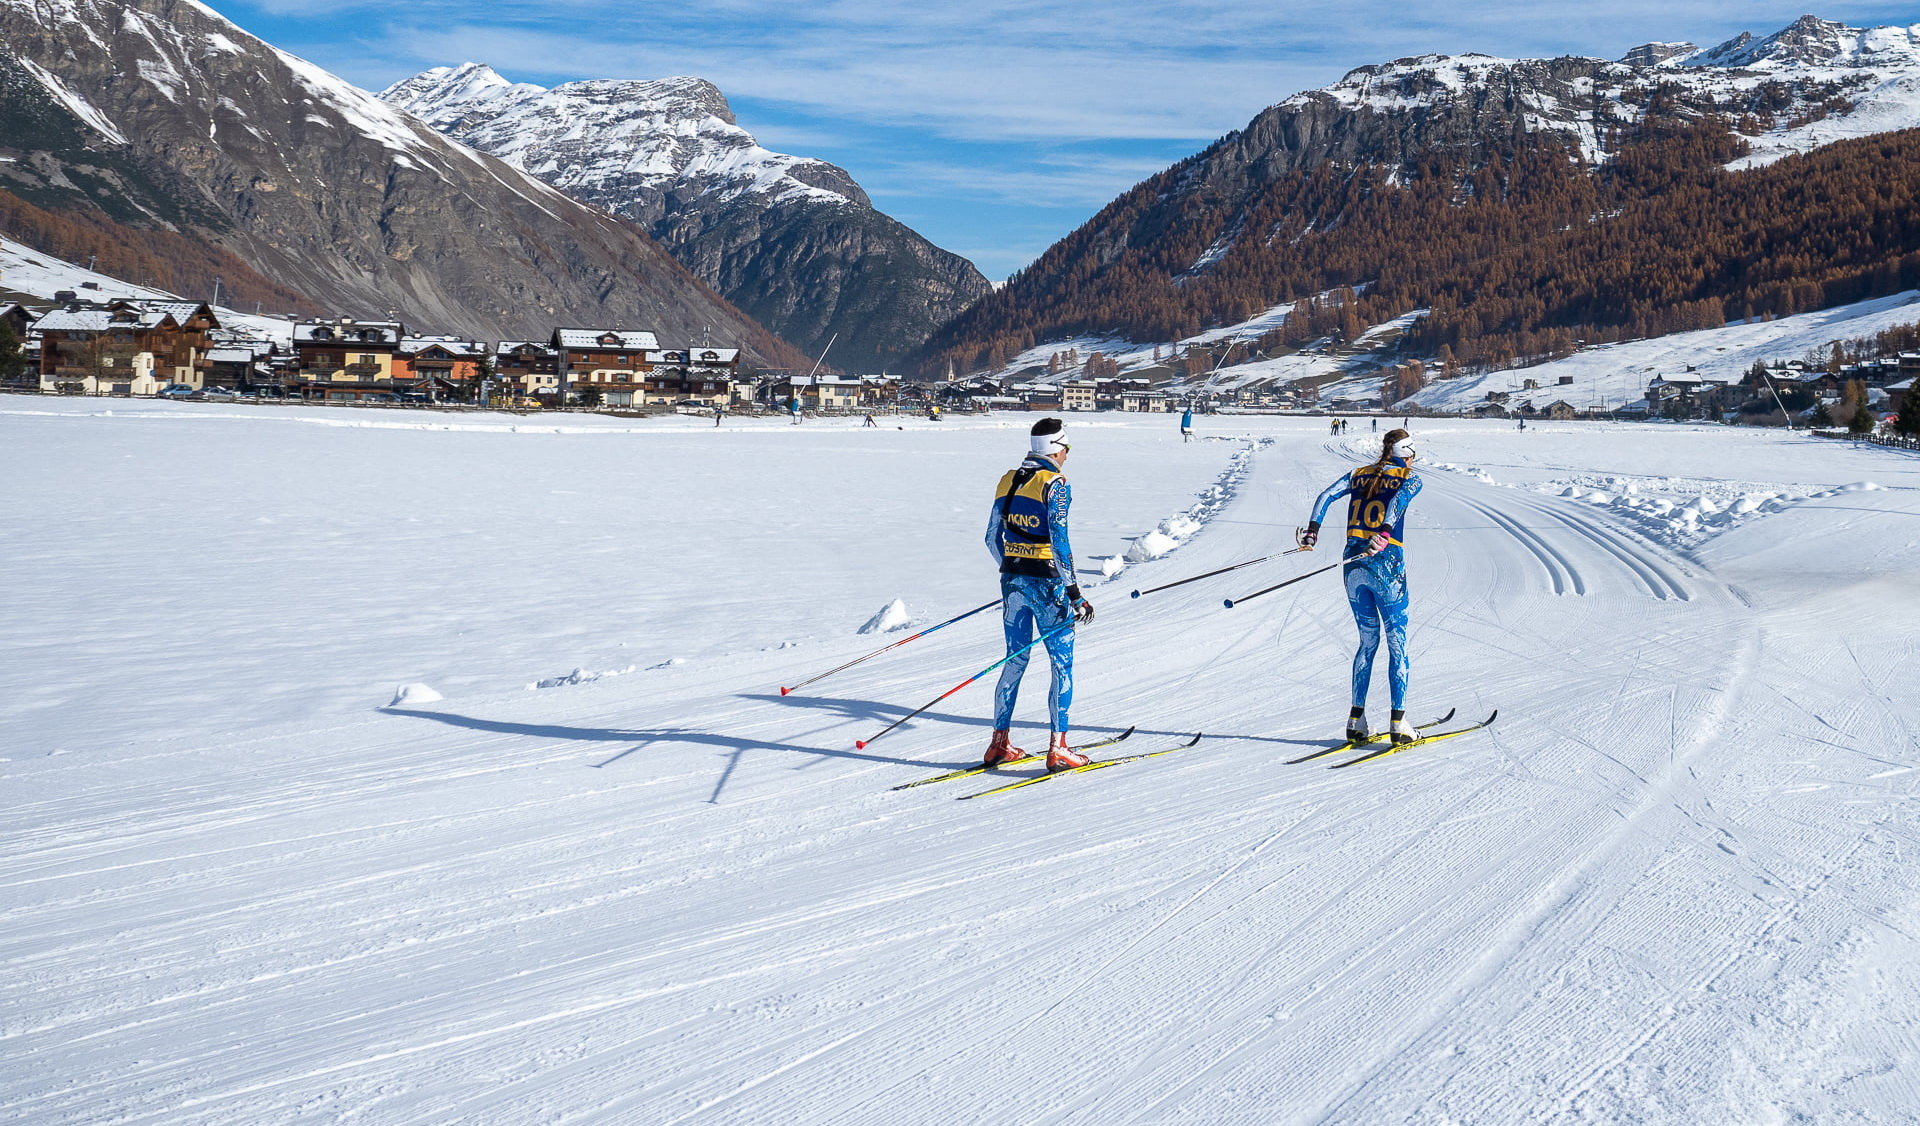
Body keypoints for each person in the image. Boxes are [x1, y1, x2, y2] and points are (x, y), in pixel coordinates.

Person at [1297, 428, 1424, 745]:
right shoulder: (1410, 477)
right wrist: (1384, 531)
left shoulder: (1358, 474)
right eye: (1413, 455)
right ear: (1406, 454)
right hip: (1386, 561)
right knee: (1398, 642)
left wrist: (1312, 532)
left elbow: (1325, 495)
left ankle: (1356, 719)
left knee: (1367, 642)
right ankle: (1399, 723)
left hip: (1353, 563)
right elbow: (1398, 501)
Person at [982, 418, 1095, 770]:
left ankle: (999, 743)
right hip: (1049, 586)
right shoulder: (1055, 484)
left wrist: (1012, 569)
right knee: (1061, 664)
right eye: (1066, 449)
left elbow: (990, 538)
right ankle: (1059, 747)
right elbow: (1060, 544)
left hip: (1013, 583)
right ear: (1056, 449)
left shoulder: (1009, 478)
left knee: (1013, 660)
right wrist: (1075, 593)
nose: (1067, 455)